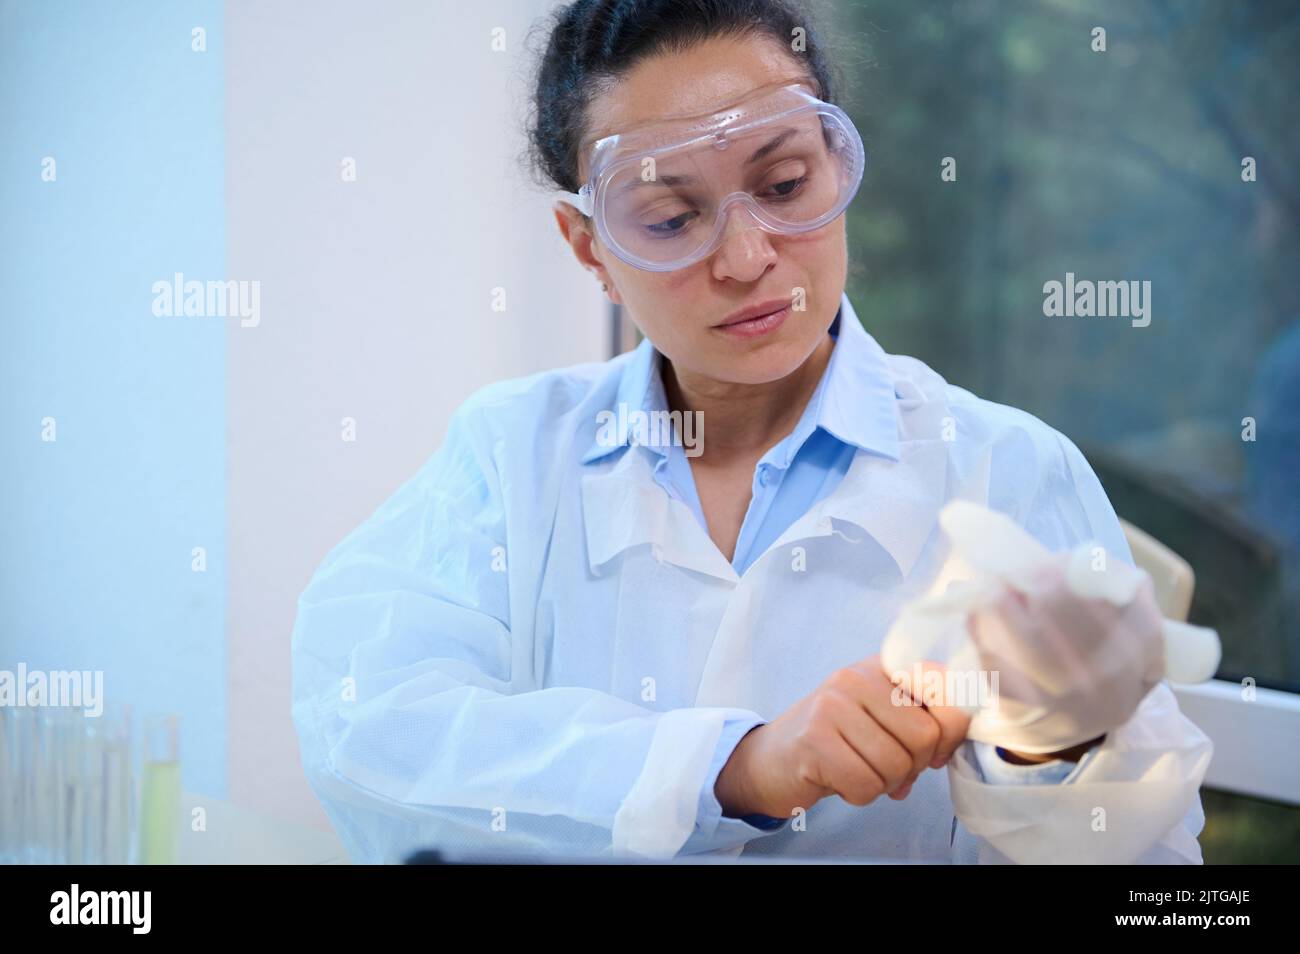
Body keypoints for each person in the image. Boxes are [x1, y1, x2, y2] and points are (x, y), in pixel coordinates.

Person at [290, 0, 1211, 864]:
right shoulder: (511, 454)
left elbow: (1157, 868)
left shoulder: (1007, 468)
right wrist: (737, 767)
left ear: (838, 168)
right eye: (669, 218)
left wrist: (1045, 755)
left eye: (783, 182)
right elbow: (367, 722)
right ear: (591, 250)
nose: (746, 257)